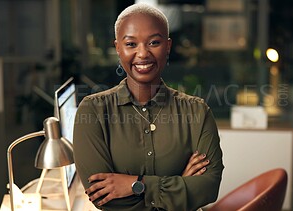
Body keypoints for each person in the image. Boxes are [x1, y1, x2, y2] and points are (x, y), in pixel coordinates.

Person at [73, 3, 224, 211]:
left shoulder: (197, 112)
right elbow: (103, 198)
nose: (143, 53)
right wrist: (180, 186)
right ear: (118, 47)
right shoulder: (93, 111)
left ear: (168, 46)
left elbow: (208, 188)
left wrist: (137, 185)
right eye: (131, 44)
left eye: (154, 42)